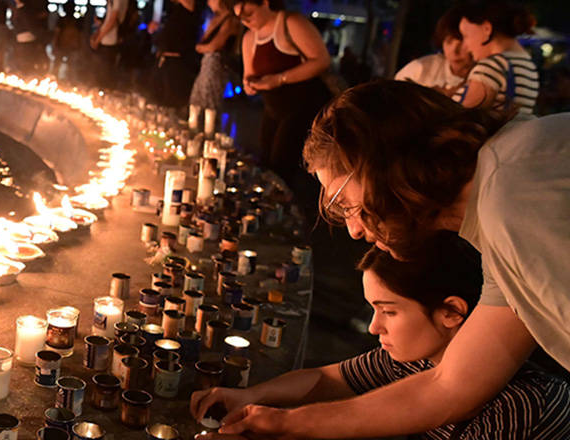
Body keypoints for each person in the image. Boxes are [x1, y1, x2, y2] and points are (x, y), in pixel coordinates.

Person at [217, 80, 570, 438]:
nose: (353, 230)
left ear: (384, 163)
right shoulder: (497, 208)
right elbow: (450, 386)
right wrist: (285, 423)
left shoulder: (513, 199)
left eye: (344, 203)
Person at [193, 233, 570, 439]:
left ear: (452, 312)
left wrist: (287, 426)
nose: (374, 328)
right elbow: (328, 378)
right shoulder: (413, 358)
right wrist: (252, 395)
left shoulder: (523, 407)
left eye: (388, 311)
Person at [234, 0, 331, 221]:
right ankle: (268, 216)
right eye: (239, 17)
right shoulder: (249, 38)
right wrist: (250, 84)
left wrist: (279, 79)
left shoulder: (291, 23)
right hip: (272, 109)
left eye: (249, 13)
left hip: (301, 107)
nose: (245, 21)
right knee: (266, 163)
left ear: (265, 3)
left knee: (283, 167)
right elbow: (249, 76)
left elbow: (322, 61)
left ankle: (291, 221)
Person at [456, 1, 539, 115]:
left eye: (466, 35)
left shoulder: (491, 67)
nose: (465, 46)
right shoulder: (527, 63)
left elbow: (464, 121)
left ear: (487, 29)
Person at [394, 8, 474, 97]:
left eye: (462, 44)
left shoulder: (482, 77)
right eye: (448, 42)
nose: (455, 51)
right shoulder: (421, 69)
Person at [188, 0, 239, 134]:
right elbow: (205, 40)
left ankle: (209, 140)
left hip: (216, 63)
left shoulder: (231, 20)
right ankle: (194, 134)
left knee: (210, 101)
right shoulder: (216, 18)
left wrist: (201, 48)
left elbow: (215, 45)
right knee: (196, 99)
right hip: (207, 61)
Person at [148, 0, 204, 111]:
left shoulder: (191, 8)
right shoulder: (175, 10)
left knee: (173, 100)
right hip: (164, 58)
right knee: (158, 98)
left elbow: (191, 5)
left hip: (177, 62)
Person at [89, 0, 130, 90]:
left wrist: (98, 39)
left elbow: (113, 21)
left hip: (109, 42)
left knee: (105, 76)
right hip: (106, 41)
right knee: (101, 74)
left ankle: (103, 98)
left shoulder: (117, 1)